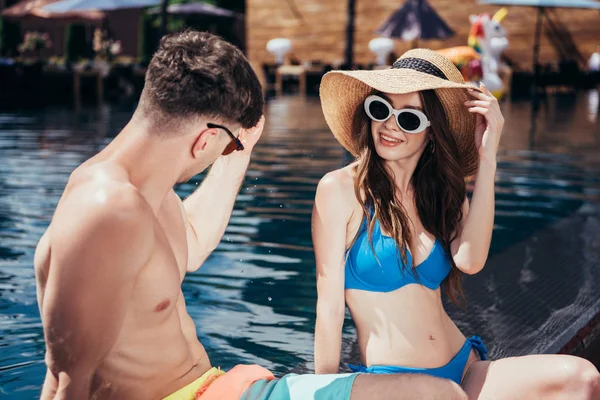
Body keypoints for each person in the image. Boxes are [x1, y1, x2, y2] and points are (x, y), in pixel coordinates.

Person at [33, 31, 469, 400]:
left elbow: (192, 245)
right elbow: (65, 382)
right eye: (225, 147)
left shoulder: (145, 190)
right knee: (436, 395)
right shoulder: (105, 212)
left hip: (220, 386)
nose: (225, 155)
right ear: (205, 140)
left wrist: (240, 152)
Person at [313, 48, 600, 399]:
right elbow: (327, 307)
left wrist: (488, 158)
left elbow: (470, 260)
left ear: (432, 132)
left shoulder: (440, 193)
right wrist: (319, 390)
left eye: (409, 118)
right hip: (395, 381)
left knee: (583, 378)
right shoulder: (341, 190)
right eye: (381, 109)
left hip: (461, 369)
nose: (390, 125)